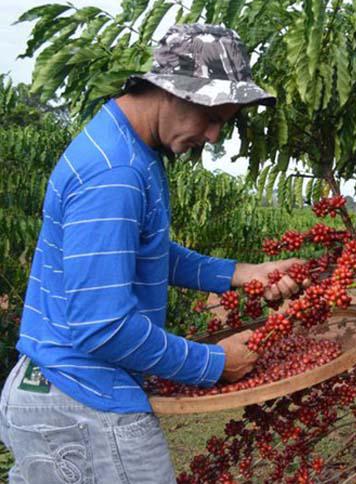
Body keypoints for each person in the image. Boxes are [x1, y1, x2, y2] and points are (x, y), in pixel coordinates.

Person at [0, 24, 301, 483]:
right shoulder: (115, 173)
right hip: (82, 400)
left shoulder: (129, 148)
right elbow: (103, 327)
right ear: (173, 91)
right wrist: (213, 364)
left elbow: (144, 251)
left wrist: (242, 273)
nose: (215, 136)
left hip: (65, 387)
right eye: (212, 116)